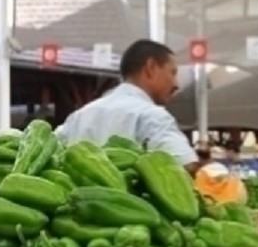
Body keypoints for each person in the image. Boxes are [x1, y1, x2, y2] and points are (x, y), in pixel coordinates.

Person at [56, 40, 199, 171]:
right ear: (151, 67)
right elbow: (186, 167)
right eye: (172, 73)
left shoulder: (77, 117)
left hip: (80, 198)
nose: (176, 84)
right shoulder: (152, 116)